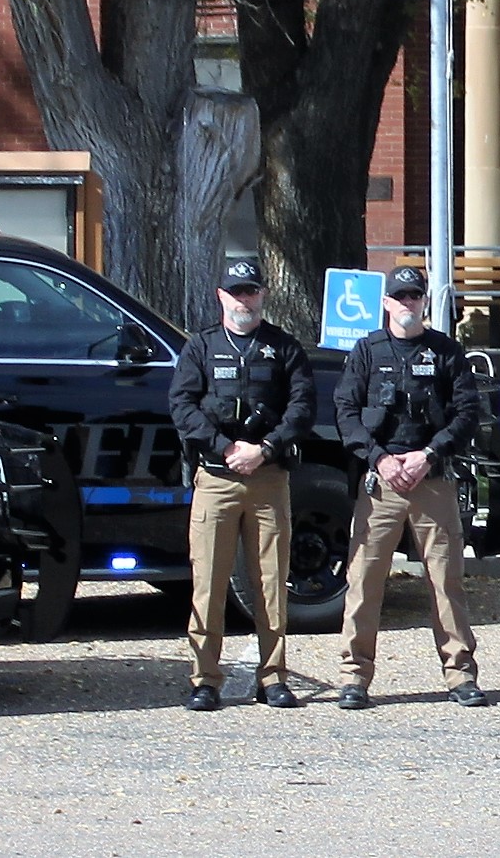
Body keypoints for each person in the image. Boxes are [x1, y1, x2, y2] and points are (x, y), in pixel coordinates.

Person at [332, 276, 493, 709]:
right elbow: (345, 412)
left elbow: (466, 413)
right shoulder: (367, 351)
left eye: (414, 296)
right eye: (399, 296)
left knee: (446, 580)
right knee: (363, 579)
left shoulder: (445, 351)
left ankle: (460, 674)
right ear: (385, 302)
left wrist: (429, 454)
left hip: (432, 478)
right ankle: (354, 675)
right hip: (381, 480)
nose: (407, 303)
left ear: (423, 301)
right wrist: (379, 458)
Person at [168, 254, 318, 711]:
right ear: (221, 297)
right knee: (208, 583)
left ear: (262, 295)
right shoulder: (201, 347)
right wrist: (224, 447)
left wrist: (265, 448)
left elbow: (303, 407)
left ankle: (273, 677)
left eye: (251, 291)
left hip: (268, 478)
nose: (244, 300)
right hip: (215, 477)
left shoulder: (284, 348)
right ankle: (204, 679)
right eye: (236, 293)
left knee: (271, 582)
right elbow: (182, 405)